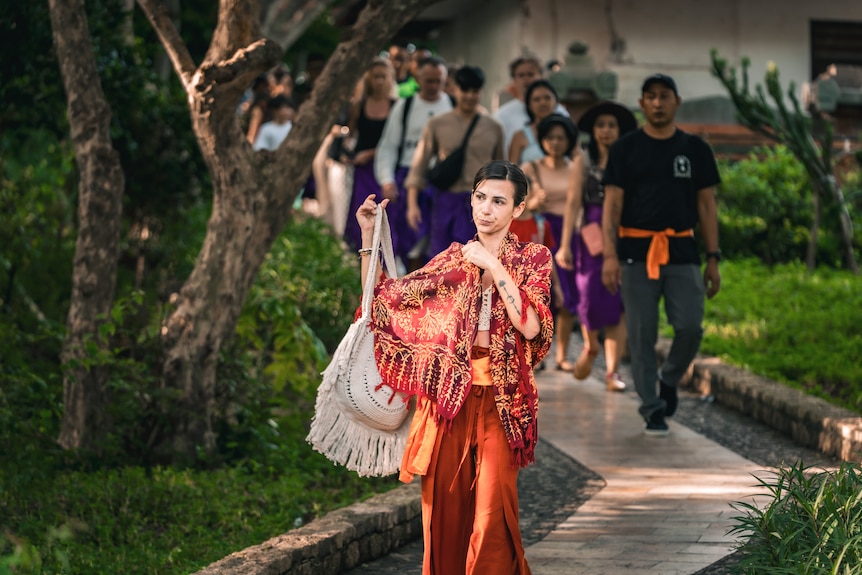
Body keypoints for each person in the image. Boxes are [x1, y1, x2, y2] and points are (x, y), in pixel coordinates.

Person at [356, 160, 554, 575]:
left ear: (517, 209)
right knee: (441, 518)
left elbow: (531, 326)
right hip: (448, 403)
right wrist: (368, 237)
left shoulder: (532, 258)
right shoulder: (451, 260)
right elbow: (384, 304)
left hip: (502, 404)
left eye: (499, 201)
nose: (486, 209)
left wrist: (494, 265)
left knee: (491, 518)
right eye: (480, 197)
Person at [601, 73, 721, 435]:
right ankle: (652, 406)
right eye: (650, 96)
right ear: (641, 103)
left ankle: (669, 378)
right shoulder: (626, 148)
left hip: (682, 251)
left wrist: (713, 256)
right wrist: (610, 255)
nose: (657, 102)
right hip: (636, 253)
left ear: (676, 102)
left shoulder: (695, 148)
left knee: (689, 327)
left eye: (664, 96)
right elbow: (612, 205)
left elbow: (706, 206)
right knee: (641, 332)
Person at [556, 101, 638, 392]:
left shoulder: (630, 158)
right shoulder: (584, 160)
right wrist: (564, 245)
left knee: (619, 300)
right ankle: (591, 347)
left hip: (624, 230)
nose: (605, 130)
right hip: (589, 232)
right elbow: (573, 202)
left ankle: (613, 372)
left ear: (620, 130)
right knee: (589, 295)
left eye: (611, 125)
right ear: (593, 130)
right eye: (601, 125)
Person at [405, 66, 505, 259]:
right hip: (445, 202)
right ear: (454, 89)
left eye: (474, 91)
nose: (469, 96)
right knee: (441, 262)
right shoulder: (437, 124)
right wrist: (412, 205)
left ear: (481, 92)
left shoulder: (494, 128)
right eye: (464, 90)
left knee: (477, 265)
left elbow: (503, 173)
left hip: (481, 206)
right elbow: (419, 166)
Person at [374, 56, 452, 270]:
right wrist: (387, 180)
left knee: (439, 242)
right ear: (418, 79)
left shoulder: (452, 105)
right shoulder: (405, 106)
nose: (434, 86)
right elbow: (388, 146)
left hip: (443, 181)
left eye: (439, 81)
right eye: (429, 81)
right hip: (409, 180)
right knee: (410, 240)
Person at [521, 114, 580, 372]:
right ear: (542, 140)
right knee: (537, 296)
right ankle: (536, 353)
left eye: (561, 138)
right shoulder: (530, 168)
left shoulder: (575, 167)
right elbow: (519, 205)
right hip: (539, 231)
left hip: (569, 234)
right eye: (550, 137)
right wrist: (533, 203)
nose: (555, 142)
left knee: (568, 295)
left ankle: (563, 354)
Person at [342, 58, 397, 251]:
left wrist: (372, 153)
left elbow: (394, 143)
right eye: (375, 77)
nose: (379, 81)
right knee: (361, 214)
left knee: (386, 216)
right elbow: (351, 134)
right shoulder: (359, 105)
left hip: (386, 169)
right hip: (362, 170)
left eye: (383, 77)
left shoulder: (396, 106)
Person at [494, 56, 569, 156]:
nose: (526, 79)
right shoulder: (502, 116)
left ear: (541, 76)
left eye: (530, 74)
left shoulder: (559, 111)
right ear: (514, 80)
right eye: (521, 75)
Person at [508, 79, 560, 164]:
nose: (543, 103)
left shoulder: (568, 132)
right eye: (537, 99)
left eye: (547, 98)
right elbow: (511, 172)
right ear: (529, 105)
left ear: (555, 101)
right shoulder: (520, 137)